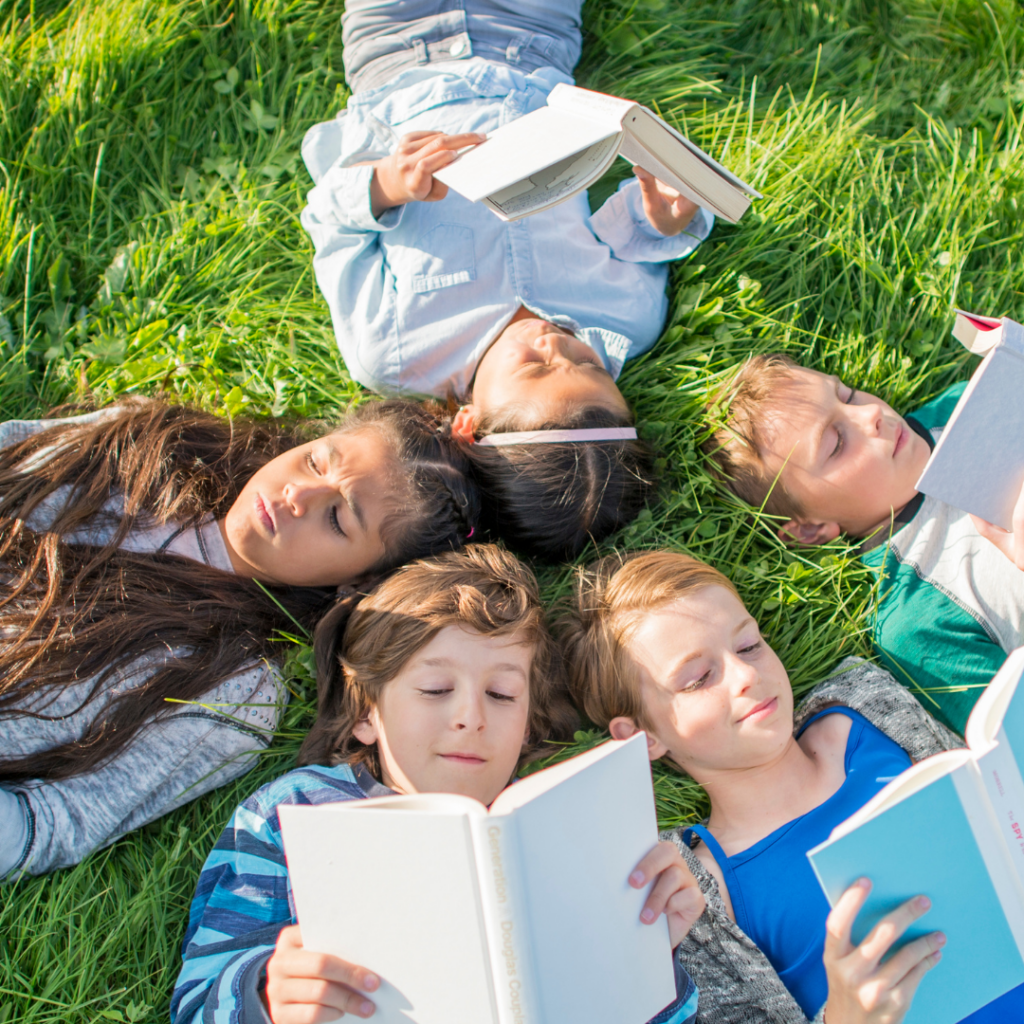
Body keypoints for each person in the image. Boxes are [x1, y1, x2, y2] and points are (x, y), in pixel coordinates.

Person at [172, 544, 706, 1024]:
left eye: (501, 695)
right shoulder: (294, 810)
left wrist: (651, 958)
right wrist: (266, 999)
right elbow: (198, 1001)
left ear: (526, 727)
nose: (471, 717)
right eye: (434, 688)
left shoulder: (558, 825)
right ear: (365, 713)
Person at [299, 0, 717, 556]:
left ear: (468, 424)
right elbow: (640, 231)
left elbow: (330, 225)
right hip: (532, 44)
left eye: (537, 368)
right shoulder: (625, 320)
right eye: (589, 363)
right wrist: (665, 217)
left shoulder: (393, 352)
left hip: (399, 56)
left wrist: (382, 186)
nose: (556, 344)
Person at [0, 396, 479, 880]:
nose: (299, 494)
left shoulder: (234, 693)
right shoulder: (159, 440)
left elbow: (51, 823)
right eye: (316, 460)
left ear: (356, 583)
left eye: (336, 518)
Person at [560, 548, 1024, 1024]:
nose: (746, 676)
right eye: (699, 679)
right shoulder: (697, 896)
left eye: (748, 646)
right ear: (643, 737)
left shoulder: (867, 706)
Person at [701, 353, 1024, 734]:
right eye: (836, 443)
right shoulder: (914, 622)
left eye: (847, 394)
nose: (870, 414)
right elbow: (1013, 740)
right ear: (810, 529)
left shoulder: (964, 409)